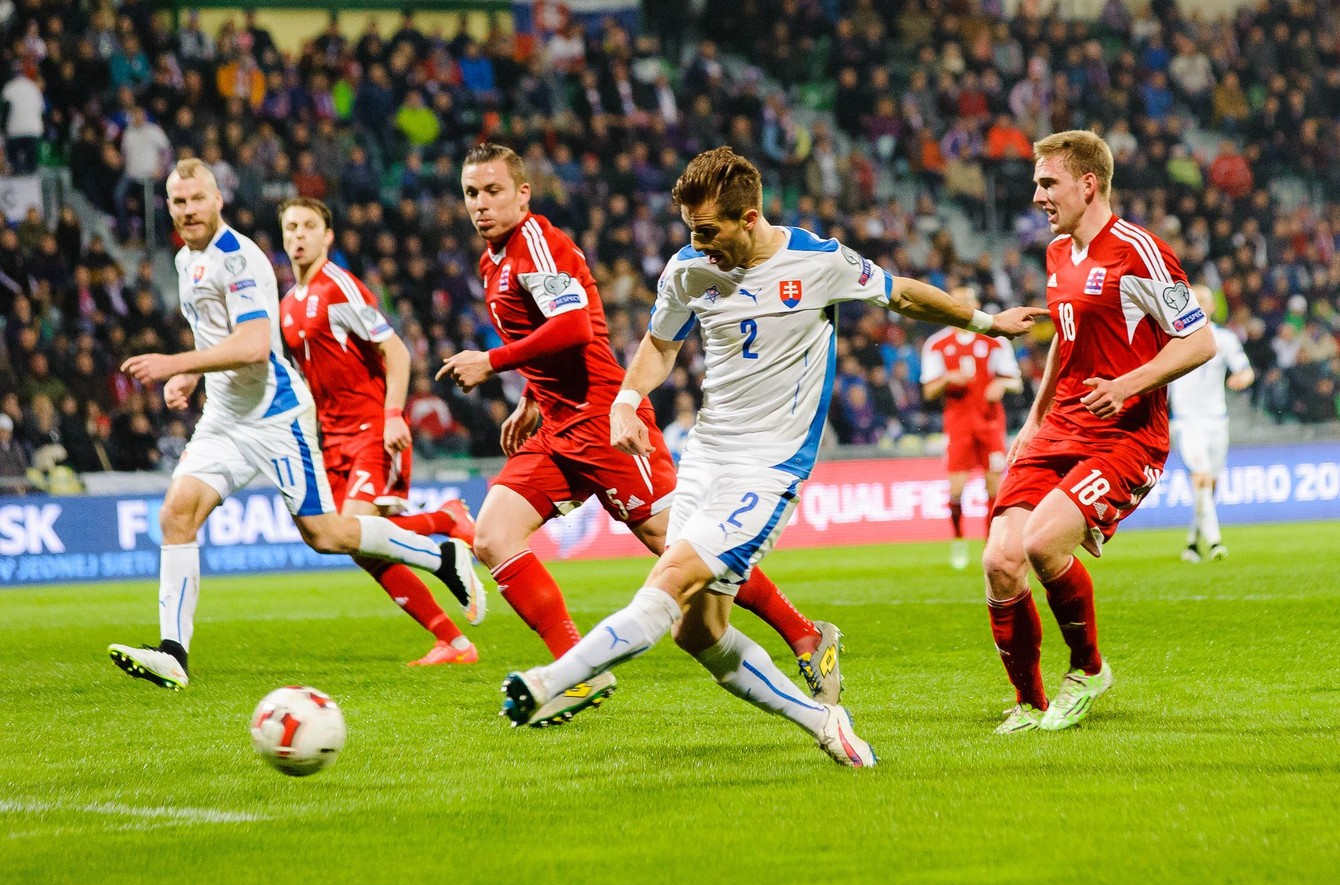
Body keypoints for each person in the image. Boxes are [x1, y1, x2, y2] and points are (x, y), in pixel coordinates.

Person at [497, 147, 1046, 766]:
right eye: (690, 232)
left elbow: (903, 296)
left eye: (709, 232)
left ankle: (552, 681)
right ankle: (822, 721)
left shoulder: (818, 262)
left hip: (768, 469)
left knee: (669, 580)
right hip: (706, 457)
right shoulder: (687, 269)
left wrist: (985, 322)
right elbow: (659, 343)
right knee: (696, 631)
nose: (698, 245)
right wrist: (626, 398)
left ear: (749, 217)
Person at [439, 143, 843, 726]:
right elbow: (557, 331)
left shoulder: (535, 244)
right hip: (557, 426)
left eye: (493, 190)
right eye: (471, 193)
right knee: (493, 536)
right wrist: (531, 394)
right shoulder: (494, 259)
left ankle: (806, 636)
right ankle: (576, 674)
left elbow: (576, 328)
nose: (481, 204)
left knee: (679, 551)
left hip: (604, 422)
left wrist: (494, 362)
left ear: (522, 193)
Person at [108, 159, 482, 690]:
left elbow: (255, 347)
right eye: (178, 201)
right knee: (176, 514)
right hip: (224, 415)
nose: (188, 210)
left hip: (275, 417)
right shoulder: (185, 259)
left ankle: (438, 552)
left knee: (326, 536)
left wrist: (174, 364)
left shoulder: (238, 259)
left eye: (197, 199)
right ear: (168, 207)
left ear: (219, 200)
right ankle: (173, 652)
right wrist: (191, 377)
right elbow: (216, 336)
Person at [981, 131, 1215, 735]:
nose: (1037, 196)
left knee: (1041, 544)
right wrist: (1033, 420)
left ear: (1088, 184)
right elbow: (1066, 334)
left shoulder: (1139, 251)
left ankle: (1087, 670)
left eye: (1047, 183)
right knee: (1001, 560)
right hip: (1060, 426)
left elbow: (1200, 339)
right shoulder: (1059, 253)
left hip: (1126, 436)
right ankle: (1029, 702)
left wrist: (1130, 383)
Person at [278, 196, 484, 666]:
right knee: (358, 545)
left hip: (371, 427)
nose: (298, 235)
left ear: (327, 236)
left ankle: (445, 522)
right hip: (330, 438)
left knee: (352, 532)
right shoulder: (288, 304)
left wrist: (393, 415)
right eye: (291, 227)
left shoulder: (339, 288)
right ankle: (452, 641)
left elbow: (398, 353)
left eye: (309, 225)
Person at [920, 284, 1023, 570]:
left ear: (976, 303)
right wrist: (948, 378)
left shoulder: (995, 340)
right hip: (958, 424)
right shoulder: (937, 344)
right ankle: (958, 540)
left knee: (994, 487)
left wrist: (1001, 384)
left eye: (968, 299)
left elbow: (1016, 380)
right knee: (956, 490)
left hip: (990, 423)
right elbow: (928, 391)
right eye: (958, 300)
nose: (964, 304)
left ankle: (991, 546)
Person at [1168, 284, 1255, 563]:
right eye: (1193, 301)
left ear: (1212, 306)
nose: (1198, 304)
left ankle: (1193, 543)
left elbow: (1245, 370)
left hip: (1216, 421)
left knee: (1209, 487)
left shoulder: (1225, 339)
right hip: (1187, 421)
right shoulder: (1172, 338)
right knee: (1201, 478)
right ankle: (1216, 542)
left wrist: (1242, 379)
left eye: (1203, 300)